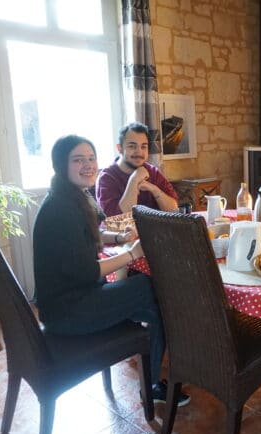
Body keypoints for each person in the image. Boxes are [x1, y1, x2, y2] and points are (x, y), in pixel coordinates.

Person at [33, 134, 189, 406]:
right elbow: (88, 271)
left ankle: (153, 380)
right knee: (149, 286)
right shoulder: (62, 209)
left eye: (91, 158)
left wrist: (118, 238)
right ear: (61, 164)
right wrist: (132, 253)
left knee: (155, 303)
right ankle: (160, 378)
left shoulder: (69, 197)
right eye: (78, 160)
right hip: (69, 313)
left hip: (68, 303)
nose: (88, 165)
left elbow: (89, 235)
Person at [95, 122, 179, 217]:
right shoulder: (107, 177)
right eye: (132, 146)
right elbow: (118, 220)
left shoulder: (153, 172)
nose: (139, 151)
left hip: (154, 231)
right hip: (124, 232)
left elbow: (174, 211)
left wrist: (154, 189)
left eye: (143, 146)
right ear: (119, 148)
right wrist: (134, 180)